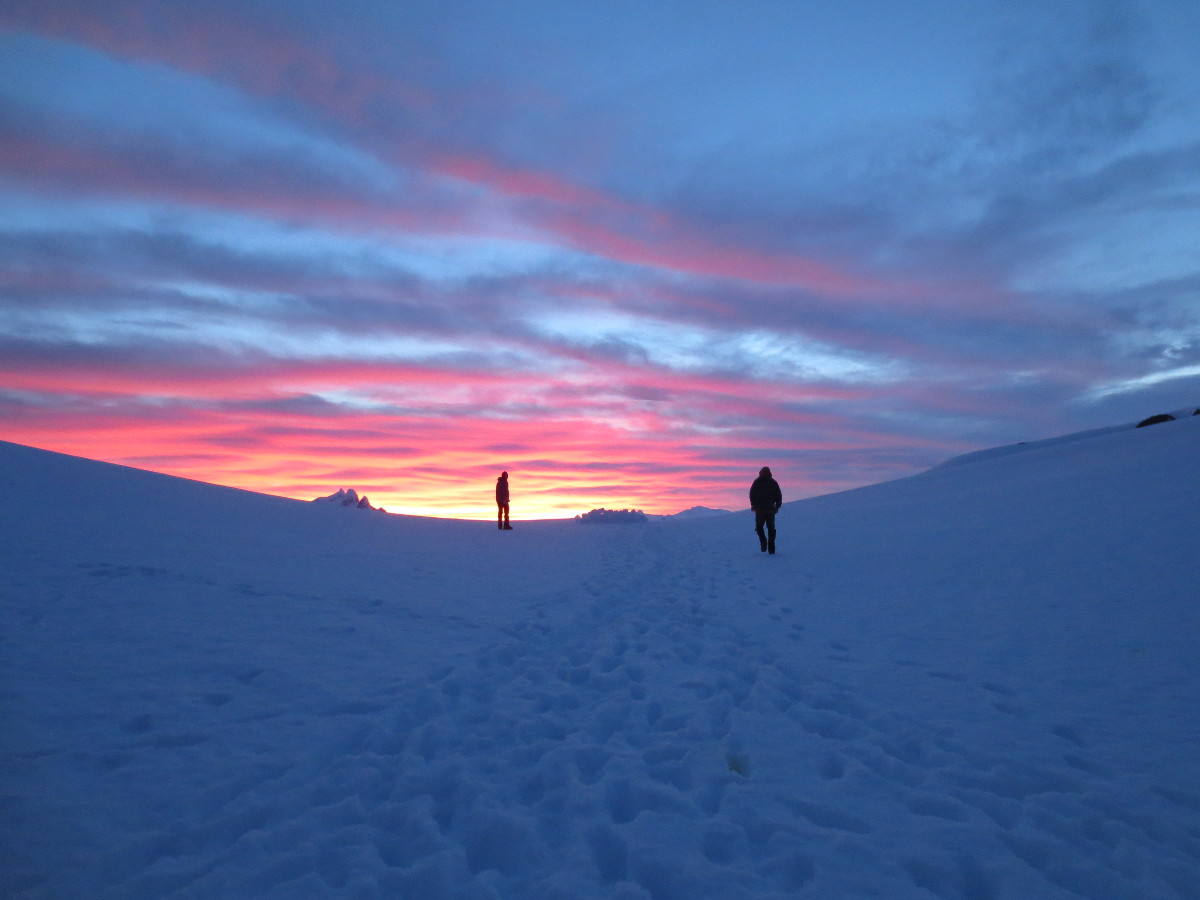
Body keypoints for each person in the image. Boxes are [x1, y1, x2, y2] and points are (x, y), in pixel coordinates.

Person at [749, 466, 782, 554]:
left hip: (759, 510)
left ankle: (763, 541)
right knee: (771, 528)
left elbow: (752, 494)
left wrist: (753, 504)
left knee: (759, 527)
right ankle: (771, 547)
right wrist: (777, 506)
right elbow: (778, 495)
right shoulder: (773, 482)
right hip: (770, 510)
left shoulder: (757, 482)